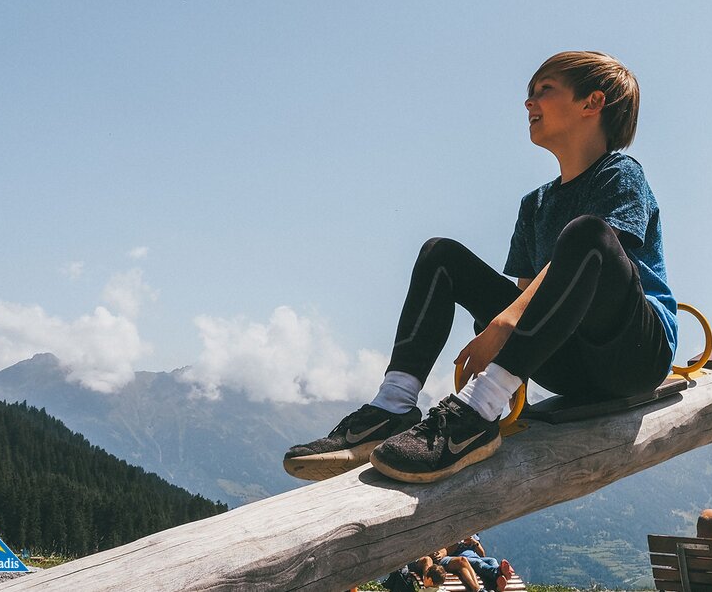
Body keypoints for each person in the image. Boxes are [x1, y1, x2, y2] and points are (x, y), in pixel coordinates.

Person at [284, 51, 678, 483]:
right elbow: (534, 300)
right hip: (567, 363)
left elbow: (592, 259)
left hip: (633, 355)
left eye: (545, 90)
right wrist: (510, 327)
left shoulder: (620, 174)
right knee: (440, 254)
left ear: (592, 102)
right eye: (530, 93)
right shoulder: (536, 204)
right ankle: (391, 406)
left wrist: (504, 323)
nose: (529, 102)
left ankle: (477, 413)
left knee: (588, 233)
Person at [442, 535, 515, 592]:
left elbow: (482, 554)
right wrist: (459, 542)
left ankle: (498, 577)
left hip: (476, 557)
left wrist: (474, 542)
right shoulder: (452, 535)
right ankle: (498, 573)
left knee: (492, 560)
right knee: (478, 562)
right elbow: (448, 552)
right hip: (462, 558)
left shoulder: (473, 534)